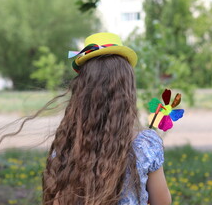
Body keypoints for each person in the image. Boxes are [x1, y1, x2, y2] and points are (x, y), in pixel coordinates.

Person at [42, 33, 172, 205]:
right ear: (127, 91)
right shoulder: (145, 145)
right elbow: (162, 202)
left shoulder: (66, 146)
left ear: (81, 92)